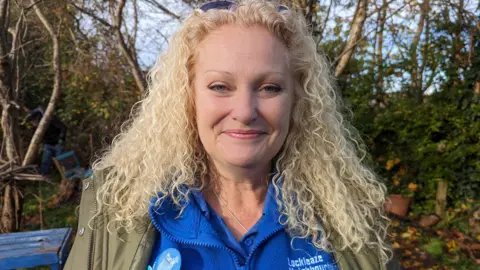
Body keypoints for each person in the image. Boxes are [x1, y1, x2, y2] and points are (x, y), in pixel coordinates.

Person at [65, 1, 399, 269]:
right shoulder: (118, 208)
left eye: (269, 87)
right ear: (188, 97)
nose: (244, 110)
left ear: (297, 100)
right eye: (220, 86)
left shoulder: (349, 212)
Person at [26, 107, 67, 175]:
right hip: (47, 144)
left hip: (58, 143)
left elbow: (63, 127)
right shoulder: (36, 128)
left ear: (38, 119)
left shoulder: (51, 119)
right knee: (45, 161)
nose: (33, 124)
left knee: (62, 160)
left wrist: (61, 139)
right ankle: (43, 176)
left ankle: (68, 175)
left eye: (33, 121)